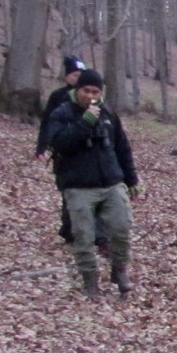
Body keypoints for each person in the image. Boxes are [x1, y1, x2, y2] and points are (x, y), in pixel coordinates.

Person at [43, 69, 141, 298]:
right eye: (86, 91)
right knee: (84, 236)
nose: (90, 96)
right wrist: (85, 122)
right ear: (78, 90)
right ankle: (90, 281)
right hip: (78, 185)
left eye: (95, 91)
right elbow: (59, 143)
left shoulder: (108, 112)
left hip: (110, 182)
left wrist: (131, 179)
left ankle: (119, 270)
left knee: (122, 227)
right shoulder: (62, 113)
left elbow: (122, 148)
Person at [37, 55, 105, 250]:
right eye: (74, 75)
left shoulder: (94, 102)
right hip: (64, 155)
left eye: (79, 75)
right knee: (69, 195)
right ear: (67, 76)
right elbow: (47, 124)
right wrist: (41, 147)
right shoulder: (58, 98)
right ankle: (69, 230)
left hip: (89, 155)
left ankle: (98, 236)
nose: (77, 78)